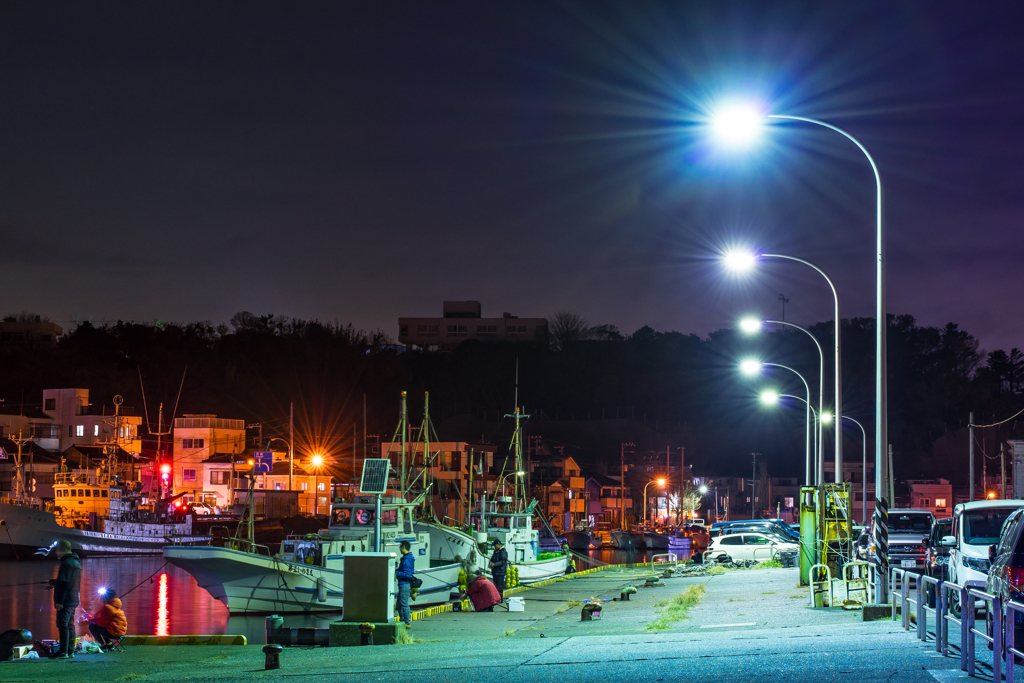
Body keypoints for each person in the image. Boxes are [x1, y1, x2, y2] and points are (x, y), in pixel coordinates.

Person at [47, 539, 81, 659]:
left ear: (62, 549)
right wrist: (55, 582)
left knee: (63, 625)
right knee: (70, 625)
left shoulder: (66, 563)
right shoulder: (75, 562)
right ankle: (70, 651)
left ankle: (63, 652)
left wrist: (59, 602)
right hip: (74, 599)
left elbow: (65, 584)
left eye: (57, 550)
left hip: (66, 601)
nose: (56, 553)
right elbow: (67, 582)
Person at [395, 540, 414, 629]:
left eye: (400, 547)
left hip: (405, 584)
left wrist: (396, 573)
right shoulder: (406, 558)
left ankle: (406, 622)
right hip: (403, 584)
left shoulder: (406, 560)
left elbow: (407, 574)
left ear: (403, 547)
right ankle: (403, 620)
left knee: (403, 603)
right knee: (399, 604)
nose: (399, 549)